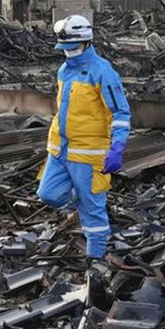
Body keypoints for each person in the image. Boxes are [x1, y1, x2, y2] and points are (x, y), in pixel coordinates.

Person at [37, 15, 131, 260]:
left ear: (86, 43)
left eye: (73, 48)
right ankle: (80, 199)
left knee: (93, 211)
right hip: (59, 149)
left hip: (88, 154)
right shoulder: (63, 70)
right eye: (65, 49)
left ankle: (95, 259)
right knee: (47, 193)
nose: (69, 53)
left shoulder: (102, 73)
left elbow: (120, 112)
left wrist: (117, 146)